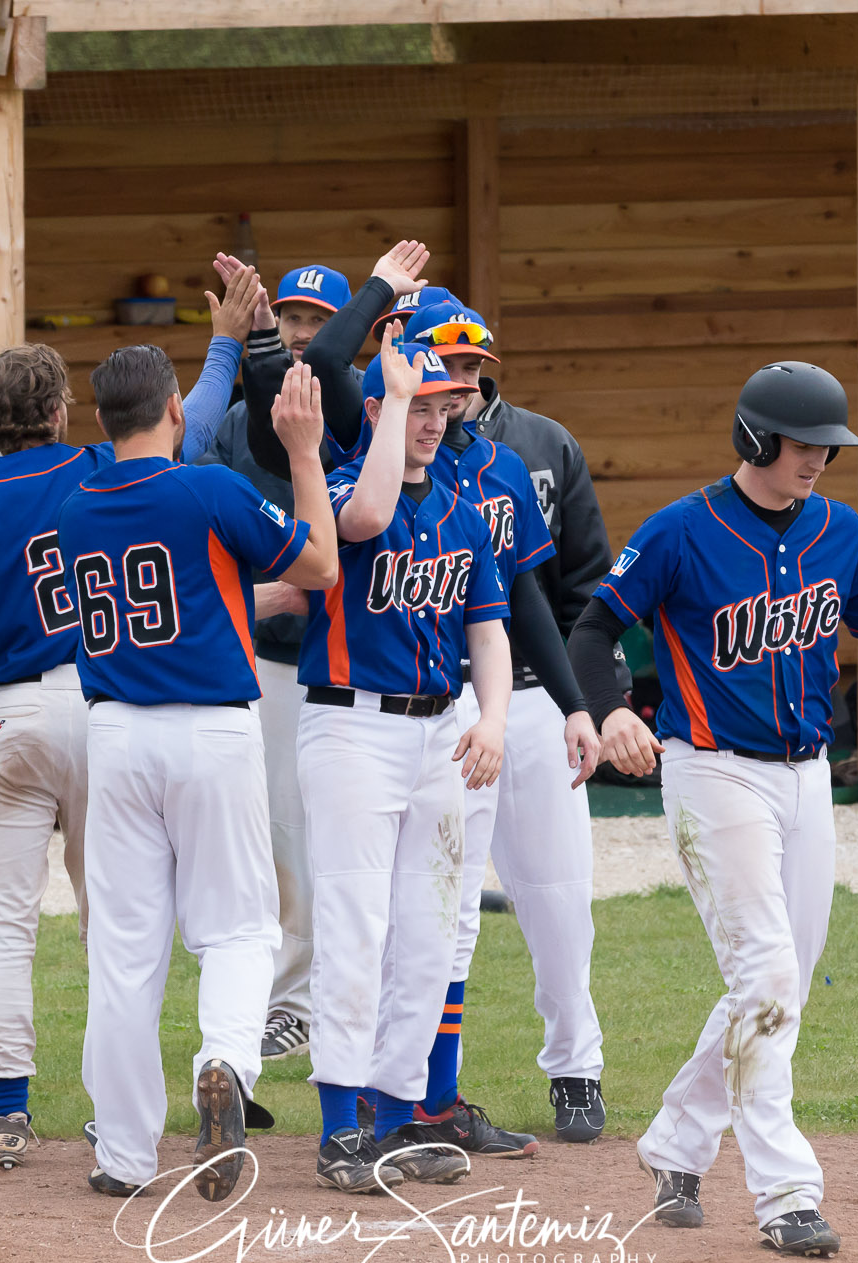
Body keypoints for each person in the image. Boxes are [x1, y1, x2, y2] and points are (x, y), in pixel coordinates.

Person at [568, 361, 858, 1254]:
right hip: (713, 774)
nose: (819, 457)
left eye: (828, 444)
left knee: (778, 983)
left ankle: (674, 1143)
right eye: (804, 441)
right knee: (769, 975)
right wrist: (612, 706)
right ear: (754, 438)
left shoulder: (839, 533)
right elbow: (592, 629)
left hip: (807, 778)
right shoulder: (680, 531)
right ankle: (785, 1193)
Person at [0, 269, 261, 1170]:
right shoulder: (97, 470)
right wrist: (226, 338)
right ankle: (123, 1113)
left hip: (4, 720)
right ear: (56, 413)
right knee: (117, 924)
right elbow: (186, 414)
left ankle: (7, 1114)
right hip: (100, 704)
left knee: (4, 924)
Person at [59, 345, 337, 1203]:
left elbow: (171, 599)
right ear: (175, 411)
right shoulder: (206, 488)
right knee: (242, 929)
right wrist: (300, 453)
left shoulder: (74, 508)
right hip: (212, 728)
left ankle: (125, 1154)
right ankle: (223, 1062)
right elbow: (320, 564)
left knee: (124, 951)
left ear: (102, 424)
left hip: (115, 735)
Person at [295, 335, 512, 1194]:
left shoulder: (461, 508)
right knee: (356, 927)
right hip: (351, 730)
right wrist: (387, 402)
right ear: (382, 411)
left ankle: (395, 1115)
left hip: (438, 733)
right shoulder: (350, 484)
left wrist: (493, 716)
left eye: (440, 406)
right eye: (415, 405)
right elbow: (366, 523)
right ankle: (339, 1127)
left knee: (429, 930)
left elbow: (487, 627)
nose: (432, 421)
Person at [398, 299, 609, 1149]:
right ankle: (415, 1094)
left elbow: (556, 592)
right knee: (434, 912)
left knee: (559, 895)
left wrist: (580, 703)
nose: (463, 379)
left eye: (472, 363)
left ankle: (576, 1068)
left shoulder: (529, 454)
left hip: (523, 700)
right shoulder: (387, 455)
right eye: (445, 361)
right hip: (433, 702)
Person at [196, 259, 352, 1065]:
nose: (299, 332)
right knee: (277, 835)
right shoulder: (232, 424)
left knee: (337, 841)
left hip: (353, 663)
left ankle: (313, 1000)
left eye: (316, 320)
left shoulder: (359, 413)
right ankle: (287, 1001)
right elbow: (209, 544)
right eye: (290, 317)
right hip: (271, 659)